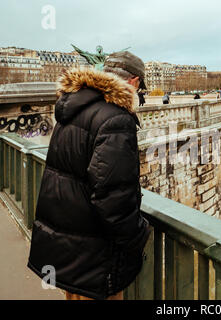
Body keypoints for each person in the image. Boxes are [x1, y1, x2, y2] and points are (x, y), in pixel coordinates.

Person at [27, 51, 151, 300]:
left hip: (68, 249)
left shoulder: (74, 107)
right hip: (95, 256)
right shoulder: (116, 117)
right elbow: (112, 196)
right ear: (135, 82)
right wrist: (138, 236)